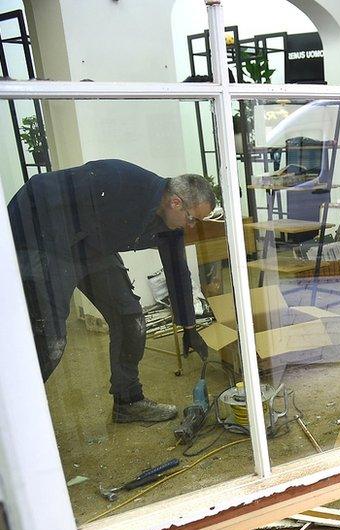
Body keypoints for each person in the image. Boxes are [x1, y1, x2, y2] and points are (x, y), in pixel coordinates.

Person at [7, 159, 214, 423]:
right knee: (50, 338)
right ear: (176, 202)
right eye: (193, 219)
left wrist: (189, 327)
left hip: (92, 247)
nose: (192, 227)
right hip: (48, 239)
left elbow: (177, 270)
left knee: (130, 318)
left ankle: (128, 401)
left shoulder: (169, 225)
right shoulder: (121, 180)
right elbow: (40, 190)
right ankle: (13, 416)